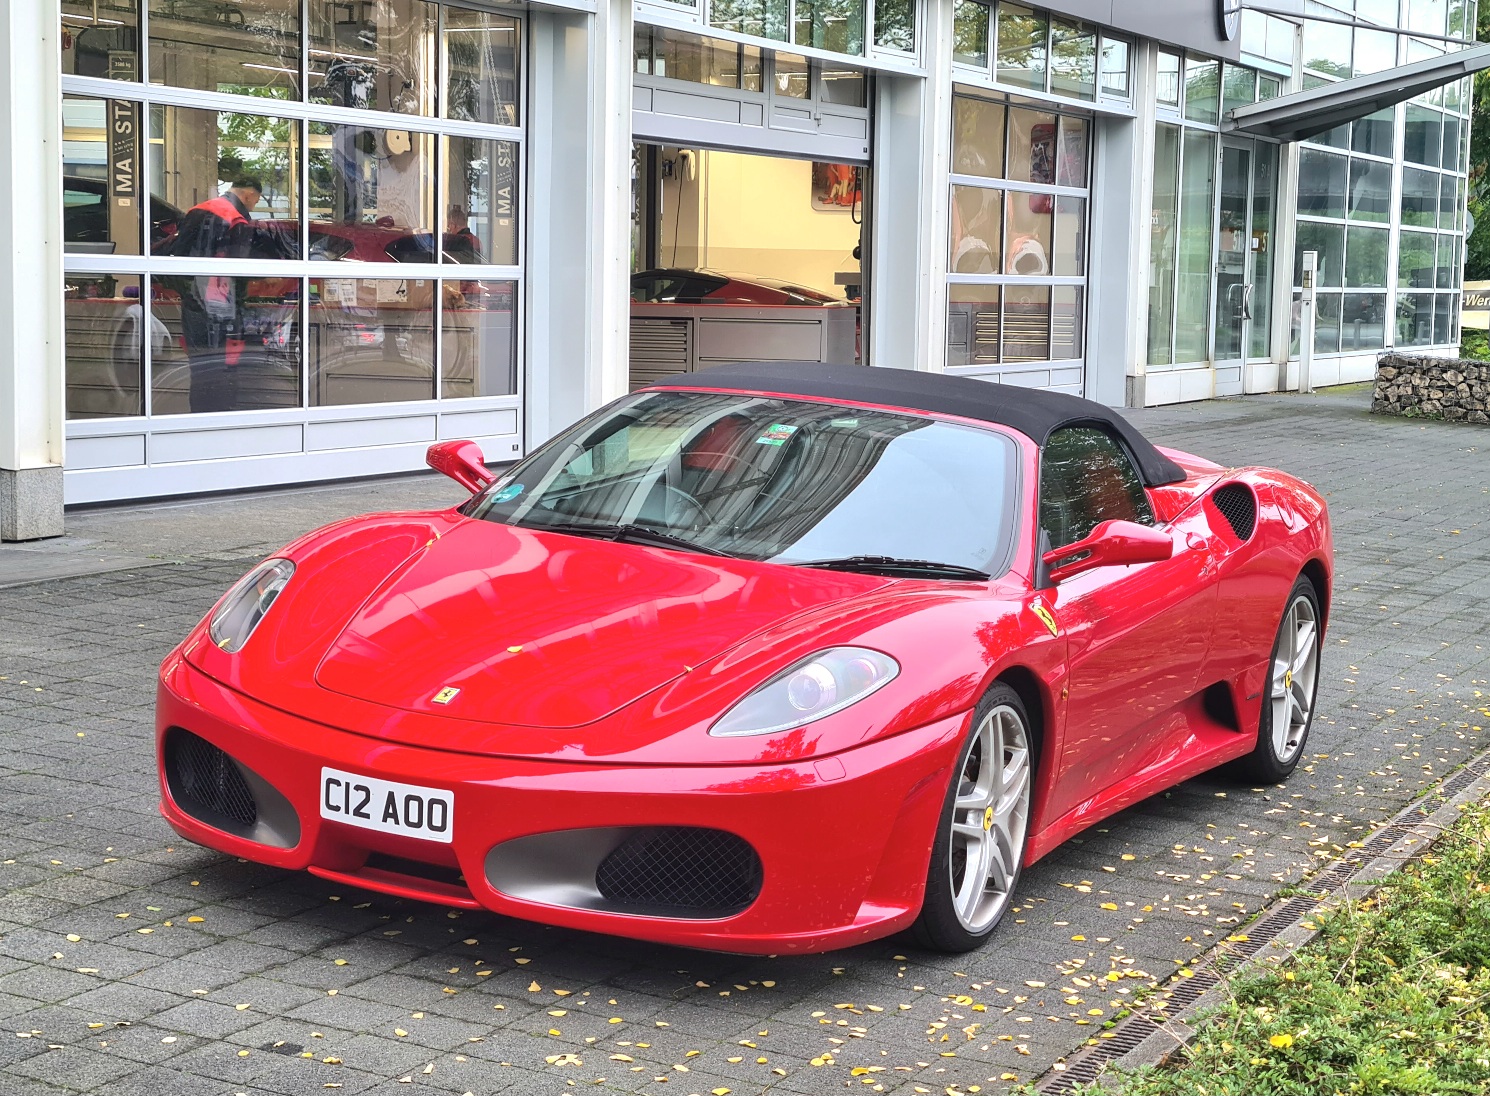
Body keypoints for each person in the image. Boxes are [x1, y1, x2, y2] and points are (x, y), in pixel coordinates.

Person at [161, 178, 293, 412]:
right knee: (225, 367)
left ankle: (200, 417)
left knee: (200, 366)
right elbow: (239, 265)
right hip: (222, 308)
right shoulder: (236, 220)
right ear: (250, 195)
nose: (253, 206)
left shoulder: (197, 211)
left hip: (194, 305)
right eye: (256, 201)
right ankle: (222, 418)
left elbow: (177, 254)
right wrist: (266, 275)